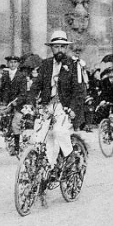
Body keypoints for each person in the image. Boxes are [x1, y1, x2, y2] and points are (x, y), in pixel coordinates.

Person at [29, 30, 85, 176]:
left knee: (59, 131)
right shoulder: (46, 64)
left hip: (66, 106)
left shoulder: (74, 64)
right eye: (56, 47)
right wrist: (30, 102)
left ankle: (70, 157)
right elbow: (36, 85)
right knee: (40, 136)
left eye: (62, 46)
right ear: (51, 48)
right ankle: (51, 166)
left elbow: (79, 91)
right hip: (48, 105)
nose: (59, 50)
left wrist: (73, 108)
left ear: (66, 48)